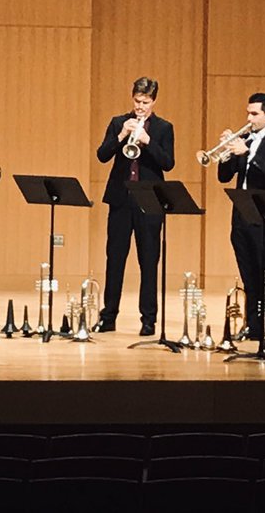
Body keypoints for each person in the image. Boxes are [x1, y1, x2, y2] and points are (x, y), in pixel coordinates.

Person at [94, 76, 176, 336]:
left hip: (149, 202)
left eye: (146, 102)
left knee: (149, 261)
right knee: (114, 259)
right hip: (120, 199)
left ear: (154, 101)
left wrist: (147, 141)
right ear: (132, 98)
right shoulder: (119, 122)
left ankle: (148, 320)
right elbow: (102, 154)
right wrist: (122, 135)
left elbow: (168, 163)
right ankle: (108, 317)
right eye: (137, 101)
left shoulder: (163, 128)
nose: (141, 107)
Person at [216, 92, 265, 343]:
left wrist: (247, 152)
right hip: (241, 215)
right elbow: (224, 177)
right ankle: (253, 325)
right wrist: (227, 151)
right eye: (248, 113)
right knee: (248, 275)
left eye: (255, 114)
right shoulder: (243, 139)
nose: (249, 118)